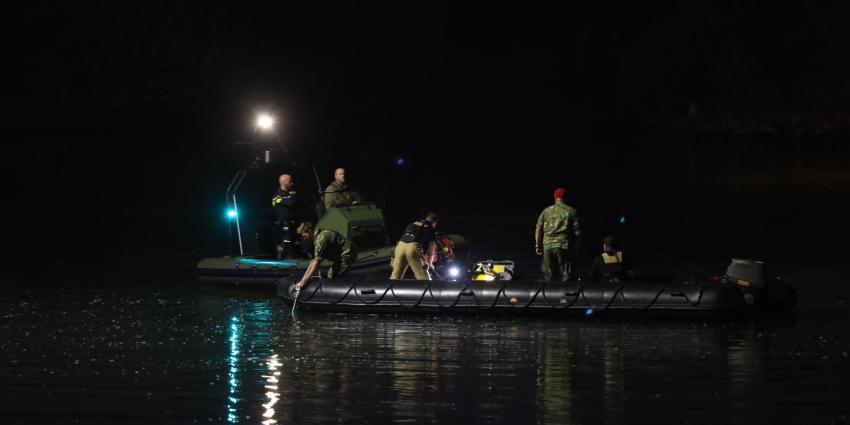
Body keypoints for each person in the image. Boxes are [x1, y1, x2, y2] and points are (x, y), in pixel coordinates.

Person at [535, 187, 581, 281]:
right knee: (567, 277)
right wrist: (576, 248)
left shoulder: (546, 211)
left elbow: (538, 230)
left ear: (555, 197)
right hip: (564, 246)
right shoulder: (571, 211)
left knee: (549, 277)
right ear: (566, 198)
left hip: (548, 246)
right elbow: (578, 233)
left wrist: (538, 245)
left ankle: (549, 294)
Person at [295, 222, 357, 287]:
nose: (305, 238)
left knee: (333, 275)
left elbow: (317, 262)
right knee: (331, 272)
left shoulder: (321, 239)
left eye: (305, 236)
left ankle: (343, 288)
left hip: (347, 252)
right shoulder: (318, 236)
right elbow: (316, 259)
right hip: (341, 253)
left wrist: (305, 280)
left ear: (309, 231)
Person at [390, 213, 439, 280]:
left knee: (395, 278)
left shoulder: (412, 224)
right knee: (424, 278)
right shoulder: (430, 229)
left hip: (399, 247)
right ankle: (427, 289)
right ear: (434, 223)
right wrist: (430, 264)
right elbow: (431, 250)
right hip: (413, 248)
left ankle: (390, 289)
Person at [271, 174, 297, 259]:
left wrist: (284, 200)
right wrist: (287, 199)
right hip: (281, 223)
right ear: (284, 182)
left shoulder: (293, 193)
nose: (292, 183)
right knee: (285, 242)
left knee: (294, 242)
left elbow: (292, 202)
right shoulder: (276, 194)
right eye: (290, 182)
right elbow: (275, 201)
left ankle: (292, 257)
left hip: (293, 222)